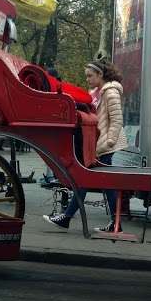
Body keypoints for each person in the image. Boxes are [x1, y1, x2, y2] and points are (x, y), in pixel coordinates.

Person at [43, 58, 128, 232]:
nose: (87, 79)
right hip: (101, 142)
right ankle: (112, 223)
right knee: (93, 182)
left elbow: (117, 119)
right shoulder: (99, 92)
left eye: (90, 76)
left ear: (100, 74)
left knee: (91, 181)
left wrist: (109, 141)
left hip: (106, 144)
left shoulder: (110, 92)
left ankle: (68, 218)